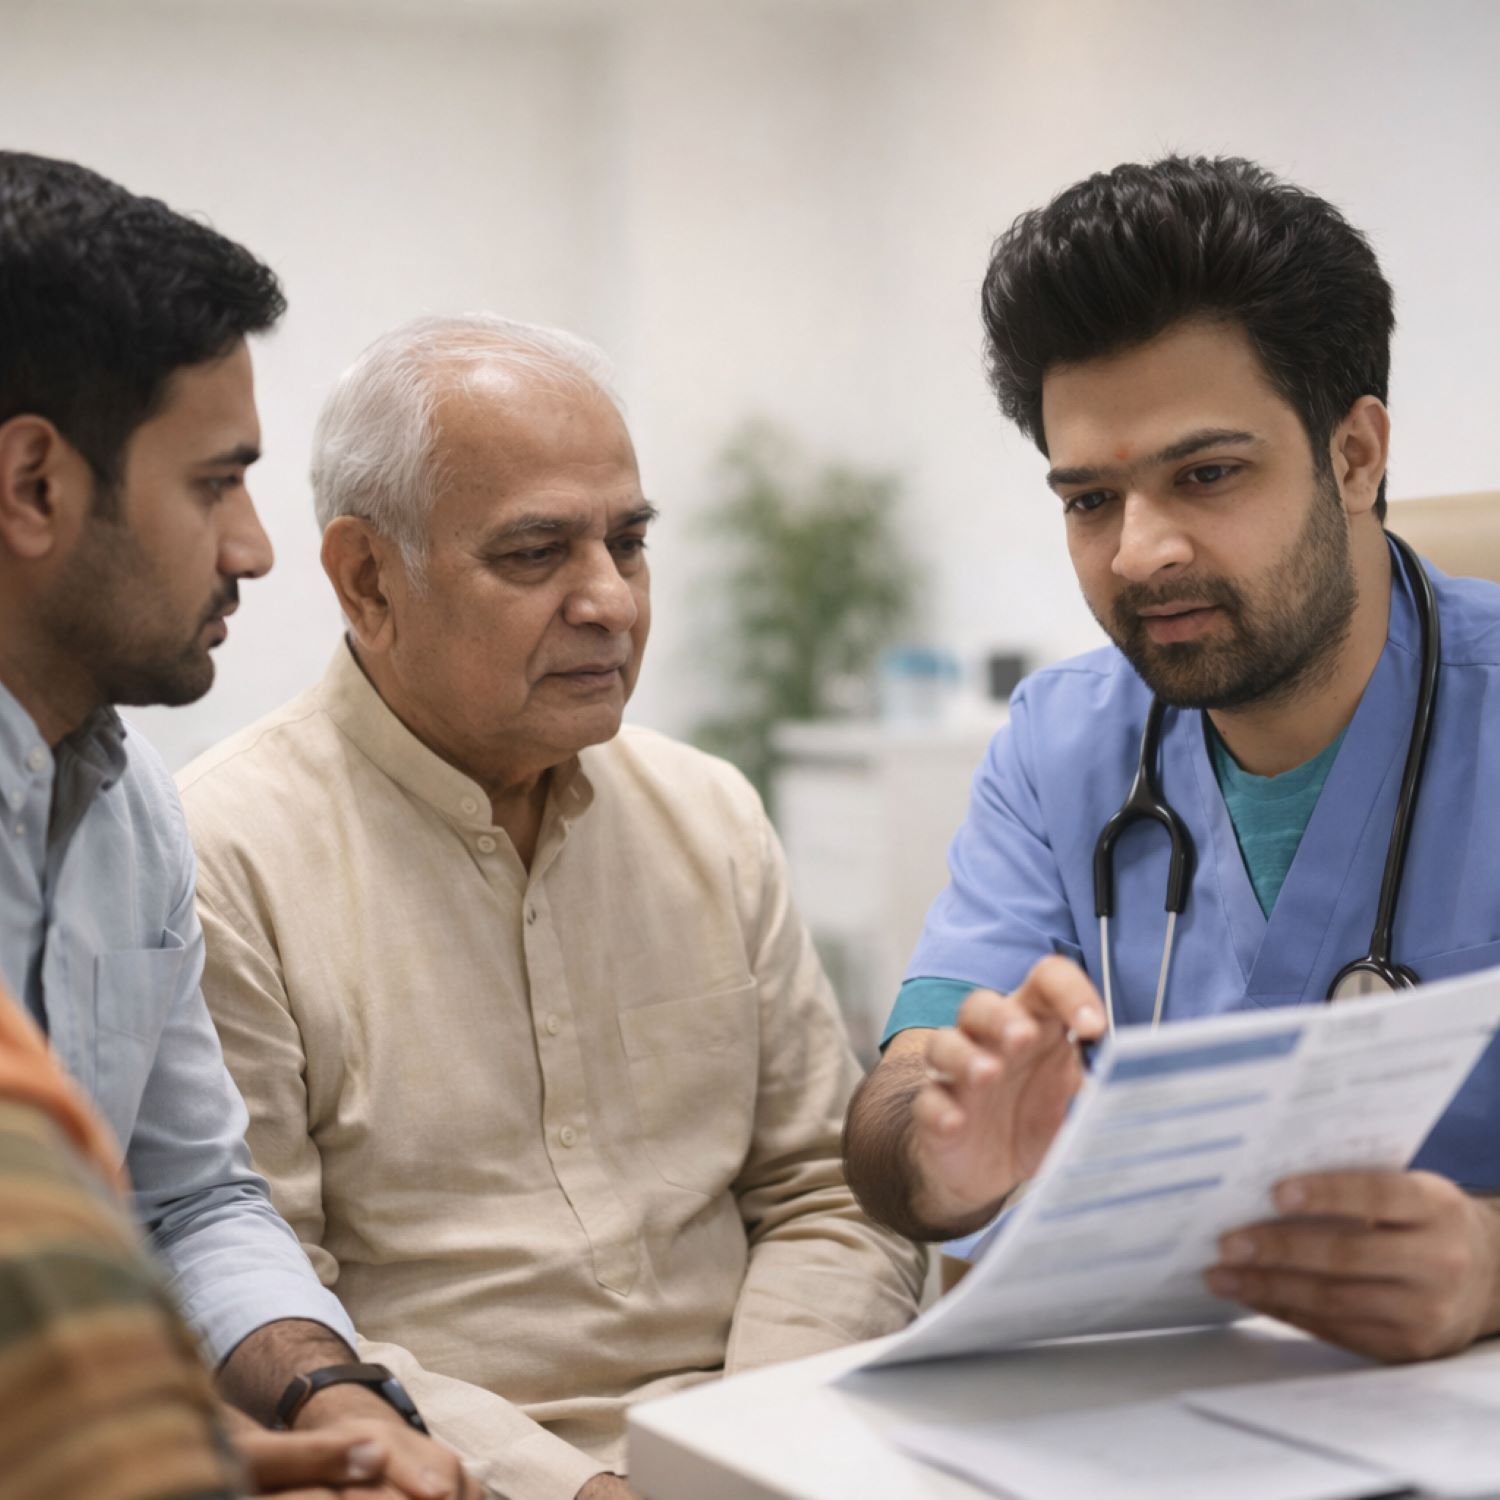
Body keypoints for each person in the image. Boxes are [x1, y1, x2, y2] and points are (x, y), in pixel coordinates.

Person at [176, 312, 925, 1500]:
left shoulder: (709, 815)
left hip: (765, 1444)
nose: (610, 602)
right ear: (368, 579)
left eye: (629, 543)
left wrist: (747, 1455)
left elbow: (827, 1191)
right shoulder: (221, 856)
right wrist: (575, 1489)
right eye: (536, 555)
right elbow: (270, 1306)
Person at [843, 154, 1500, 1365]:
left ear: (1356, 456)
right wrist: (941, 1146)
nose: (1141, 552)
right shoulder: (1059, 747)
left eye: (1206, 476)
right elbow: (904, 1093)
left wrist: (1495, 1266)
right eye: (1090, 500)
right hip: (1137, 1406)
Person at [0, 150, 474, 1497]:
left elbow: (189, 1195)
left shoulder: (130, 810)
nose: (256, 549)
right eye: (216, 483)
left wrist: (335, 1402)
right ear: (35, 485)